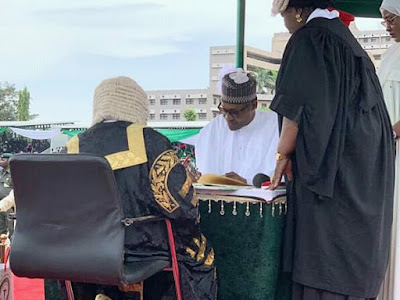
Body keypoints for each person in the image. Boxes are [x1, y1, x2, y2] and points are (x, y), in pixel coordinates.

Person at [269, 0, 395, 299]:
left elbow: (296, 109)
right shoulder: (348, 42)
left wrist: (282, 155)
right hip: (364, 170)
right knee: (352, 254)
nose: (285, 22)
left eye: (284, 15)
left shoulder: (310, 38)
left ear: (297, 10)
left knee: (327, 257)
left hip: (335, 174)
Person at [60, 76, 216, 300]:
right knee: (199, 252)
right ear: (138, 106)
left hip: (83, 250)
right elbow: (182, 209)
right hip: (143, 249)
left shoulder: (71, 147)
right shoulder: (151, 142)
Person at [195, 68, 279, 184]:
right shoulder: (210, 131)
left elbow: (279, 178)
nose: (228, 117)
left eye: (235, 112)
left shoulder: (275, 127)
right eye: (224, 110)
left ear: (254, 105)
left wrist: (246, 182)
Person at [377, 1, 400, 299]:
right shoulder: (389, 55)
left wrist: (391, 131)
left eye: (391, 18)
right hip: (388, 154)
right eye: (384, 20)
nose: (387, 25)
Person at [0, 153, 14, 237]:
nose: (0, 161)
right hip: (1, 204)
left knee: (10, 228)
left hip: (9, 206)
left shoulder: (14, 173)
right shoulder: (1, 173)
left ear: (9, 161)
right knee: (1, 228)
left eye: (3, 159)